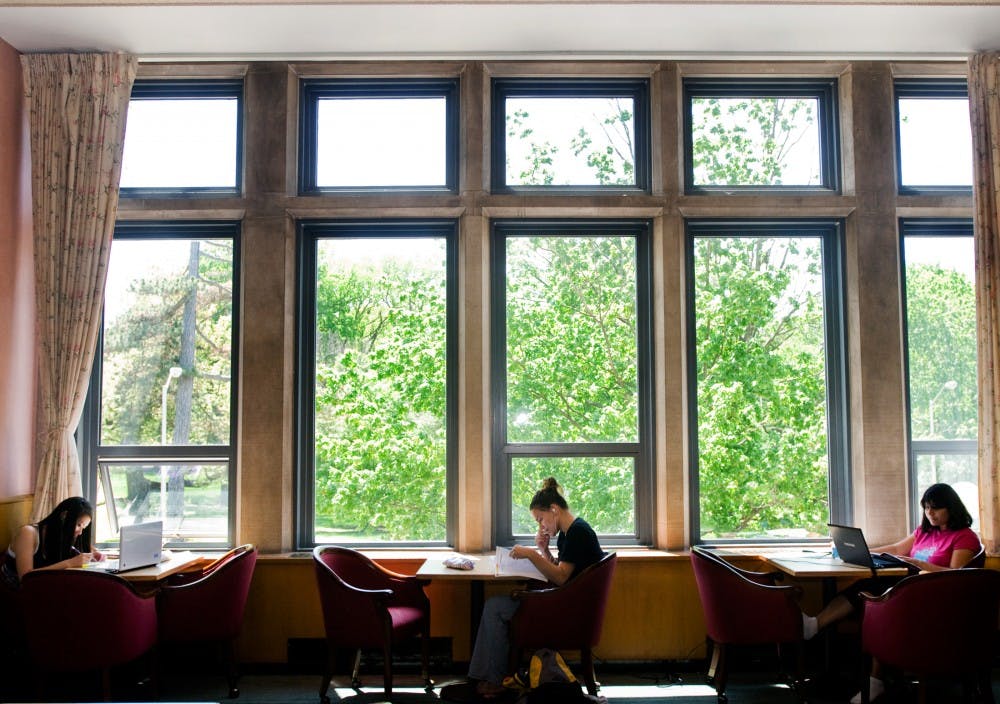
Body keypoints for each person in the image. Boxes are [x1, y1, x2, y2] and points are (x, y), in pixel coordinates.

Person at [800, 483, 981, 703]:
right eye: (926, 508)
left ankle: (819, 629)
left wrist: (916, 562)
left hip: (935, 603)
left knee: (876, 598)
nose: (930, 513)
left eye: (936, 508)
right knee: (869, 591)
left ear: (951, 508)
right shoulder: (924, 531)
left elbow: (956, 575)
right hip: (909, 595)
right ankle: (822, 631)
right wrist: (864, 552)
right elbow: (896, 549)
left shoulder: (964, 537)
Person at [468, 477, 604, 699]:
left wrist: (531, 554)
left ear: (554, 509)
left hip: (567, 612)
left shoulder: (578, 533)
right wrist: (543, 550)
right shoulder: (569, 533)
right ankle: (485, 676)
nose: (542, 526)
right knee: (495, 606)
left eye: (541, 519)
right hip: (566, 602)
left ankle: (495, 680)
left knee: (494, 607)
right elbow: (562, 572)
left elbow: (560, 578)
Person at [1, 496, 104, 587]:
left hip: (43, 588)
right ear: (64, 516)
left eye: (84, 527)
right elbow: (25, 578)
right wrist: (69, 563)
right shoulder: (28, 533)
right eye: (78, 525)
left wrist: (92, 554)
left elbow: (76, 551)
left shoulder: (60, 536)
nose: (80, 532)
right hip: (16, 593)